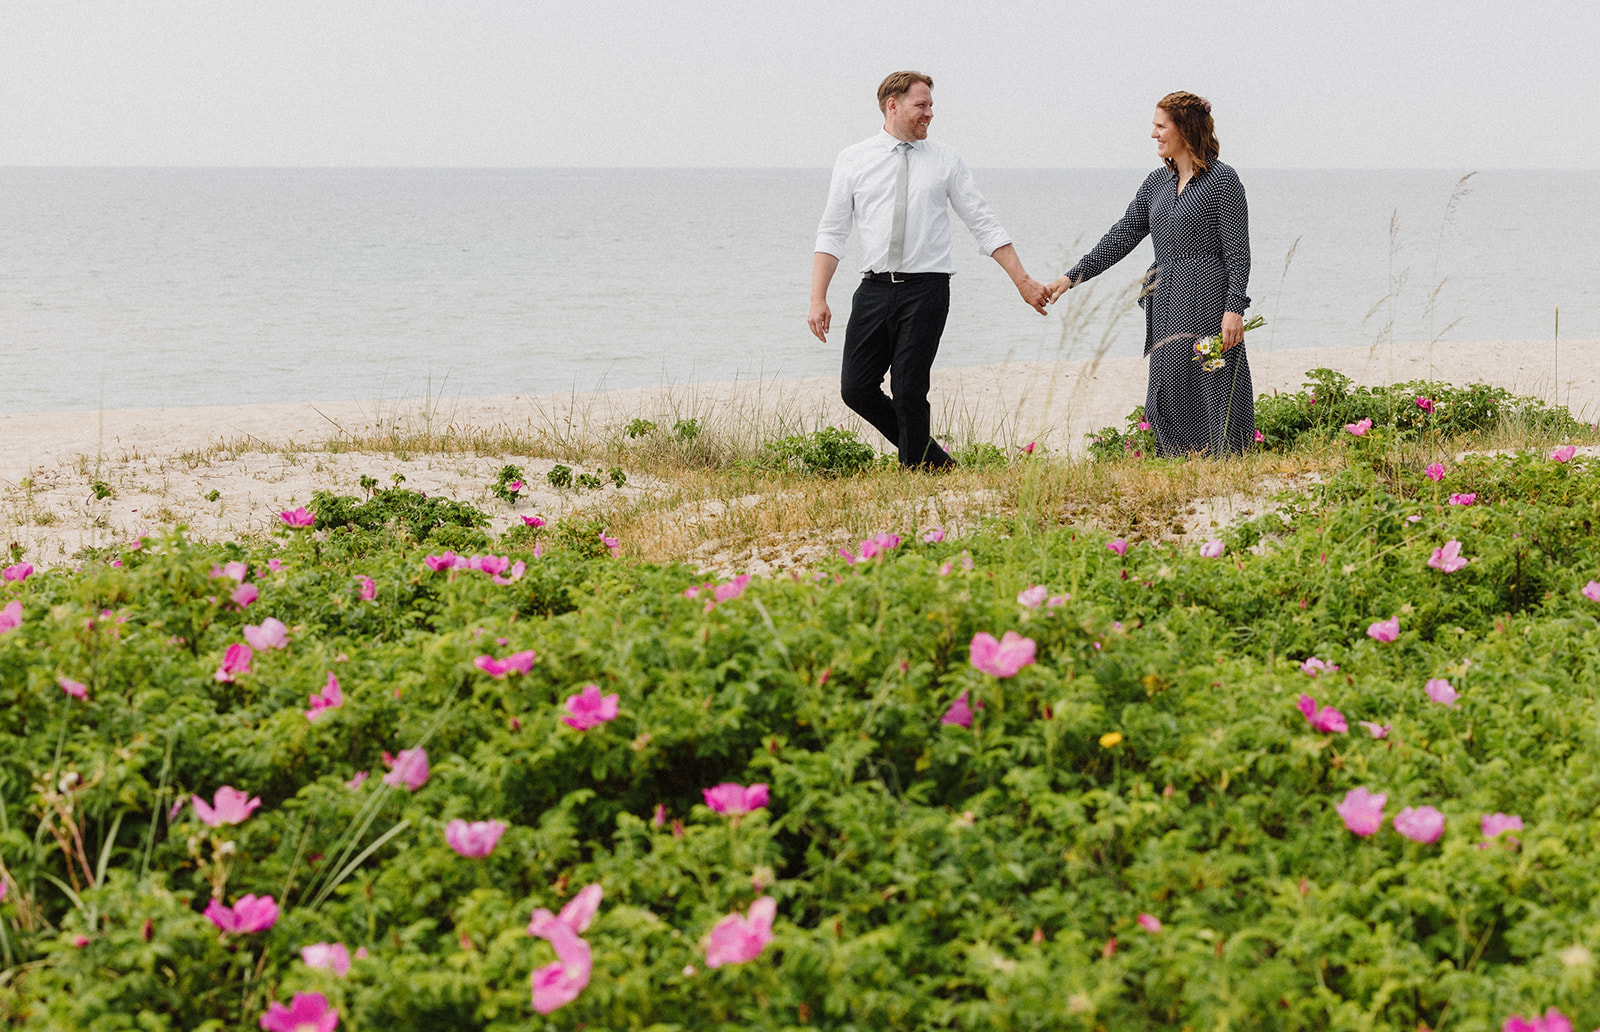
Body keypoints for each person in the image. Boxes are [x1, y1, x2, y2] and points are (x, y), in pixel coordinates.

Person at [809, 71, 1050, 468]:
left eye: (931, 105)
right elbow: (832, 231)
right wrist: (818, 298)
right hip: (873, 289)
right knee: (856, 388)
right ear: (893, 105)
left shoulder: (945, 160)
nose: (930, 113)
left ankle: (917, 473)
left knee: (908, 390)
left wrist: (1022, 281)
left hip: (927, 290)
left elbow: (983, 223)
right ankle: (936, 462)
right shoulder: (853, 159)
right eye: (921, 105)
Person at [1047, 91, 1254, 457]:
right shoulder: (1157, 183)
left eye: (1161, 126)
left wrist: (1234, 309)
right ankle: (1175, 458)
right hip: (1166, 301)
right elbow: (1123, 235)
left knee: (1213, 377)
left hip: (1209, 299)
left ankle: (1227, 457)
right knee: (1168, 380)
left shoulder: (1223, 181)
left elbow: (1237, 253)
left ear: (1185, 129)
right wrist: (1071, 277)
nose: (1154, 134)